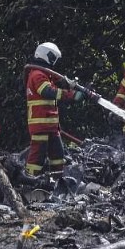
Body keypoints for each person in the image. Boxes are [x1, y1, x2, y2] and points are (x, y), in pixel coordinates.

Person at [24, 42, 84, 176]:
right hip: (40, 125)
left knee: (58, 155)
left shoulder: (45, 74)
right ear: (47, 56)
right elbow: (48, 91)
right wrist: (71, 95)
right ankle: (29, 182)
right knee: (37, 157)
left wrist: (67, 85)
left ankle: (57, 181)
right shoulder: (37, 74)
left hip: (51, 125)